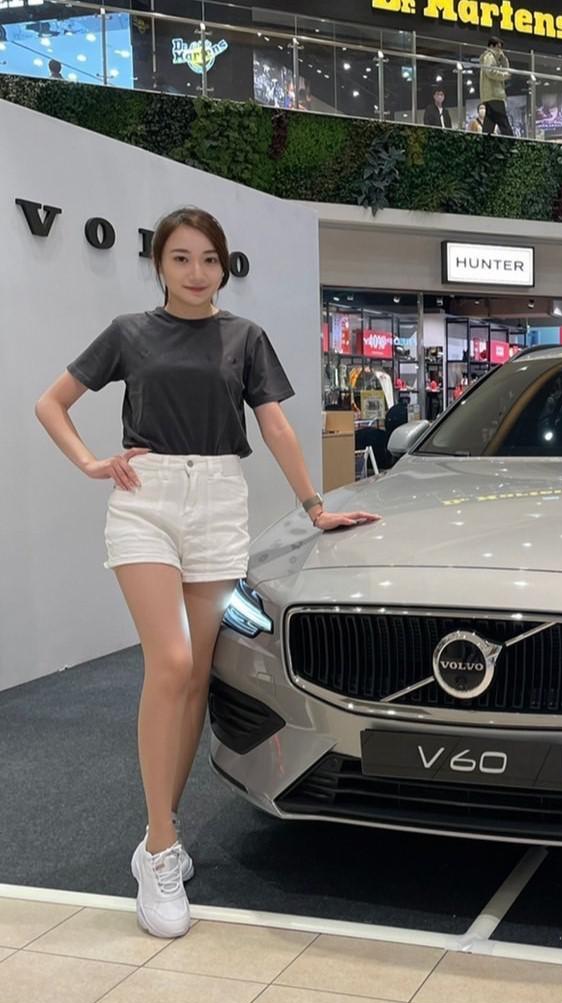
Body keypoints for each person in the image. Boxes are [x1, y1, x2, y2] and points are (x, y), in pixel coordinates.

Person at [33, 207, 380, 940]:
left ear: (224, 266)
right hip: (146, 503)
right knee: (172, 662)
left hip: (221, 504)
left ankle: (166, 828)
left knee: (197, 676)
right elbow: (51, 403)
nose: (196, 272)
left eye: (209, 259)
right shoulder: (129, 332)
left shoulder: (244, 338)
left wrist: (317, 506)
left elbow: (276, 424)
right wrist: (92, 462)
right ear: (160, 263)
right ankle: (158, 848)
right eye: (182, 258)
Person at [479, 36, 513, 136]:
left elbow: (505, 67)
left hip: (490, 95)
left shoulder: (493, 57)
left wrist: (503, 58)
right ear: (491, 46)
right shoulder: (489, 57)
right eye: (498, 47)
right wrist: (504, 76)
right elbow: (490, 72)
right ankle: (512, 145)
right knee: (504, 123)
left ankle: (485, 146)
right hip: (495, 94)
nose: (500, 50)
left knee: (489, 123)